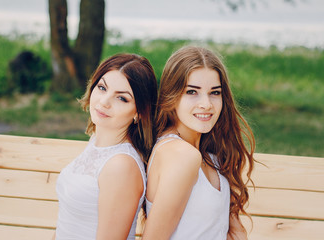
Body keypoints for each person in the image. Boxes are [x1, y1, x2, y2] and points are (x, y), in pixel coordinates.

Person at [142, 46, 255, 240]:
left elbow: (235, 232)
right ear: (172, 95)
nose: (206, 104)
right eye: (192, 92)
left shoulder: (210, 154)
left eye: (215, 92)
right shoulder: (181, 155)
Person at [55, 53, 157, 240]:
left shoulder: (121, 166)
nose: (104, 102)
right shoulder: (96, 141)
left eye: (122, 98)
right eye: (102, 88)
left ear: (139, 112)